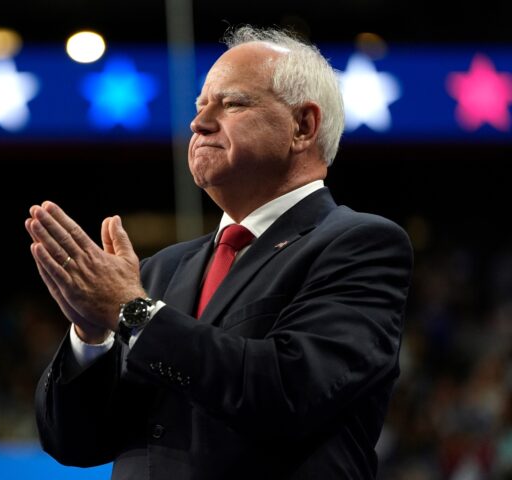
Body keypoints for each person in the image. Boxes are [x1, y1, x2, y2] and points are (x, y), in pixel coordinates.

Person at [26, 25, 413, 480]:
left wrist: (131, 311)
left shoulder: (360, 245)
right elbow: (73, 443)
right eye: (199, 106)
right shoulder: (160, 270)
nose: (199, 123)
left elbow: (287, 392)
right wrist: (92, 337)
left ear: (303, 126)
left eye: (231, 103)